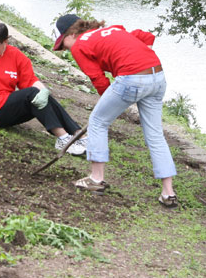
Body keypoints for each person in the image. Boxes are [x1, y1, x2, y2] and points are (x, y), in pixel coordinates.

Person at [53, 14, 178, 207]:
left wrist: (110, 103)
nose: (66, 49)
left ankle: (95, 180)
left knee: (97, 121)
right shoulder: (111, 30)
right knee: (155, 134)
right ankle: (168, 192)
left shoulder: (79, 45)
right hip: (157, 76)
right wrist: (142, 58)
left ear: (70, 35)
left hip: (132, 78)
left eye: (63, 45)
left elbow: (98, 79)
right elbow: (146, 36)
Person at [0, 22, 87, 156]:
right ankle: (63, 139)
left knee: (40, 95)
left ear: (5, 42)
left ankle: (79, 135)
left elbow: (29, 80)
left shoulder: (16, 56)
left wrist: (44, 90)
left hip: (6, 107)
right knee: (33, 93)